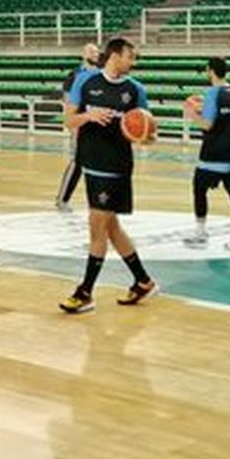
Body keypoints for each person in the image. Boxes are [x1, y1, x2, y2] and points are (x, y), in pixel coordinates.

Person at [59, 36, 158, 313]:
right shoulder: (85, 82)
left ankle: (85, 292)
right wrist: (89, 117)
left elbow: (148, 134)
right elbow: (69, 120)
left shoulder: (136, 90)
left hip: (115, 167)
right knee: (111, 227)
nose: (133, 62)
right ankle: (143, 281)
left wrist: (144, 136)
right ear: (115, 55)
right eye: (130, 56)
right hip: (91, 164)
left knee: (97, 227)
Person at [184, 56, 230, 252]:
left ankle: (201, 233)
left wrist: (191, 113)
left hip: (214, 153)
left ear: (210, 71)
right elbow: (226, 116)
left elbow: (208, 124)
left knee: (199, 188)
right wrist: (203, 108)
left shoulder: (212, 93)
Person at [54, 42, 102, 214]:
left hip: (99, 126)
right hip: (81, 124)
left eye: (97, 52)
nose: (96, 54)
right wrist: (73, 125)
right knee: (77, 163)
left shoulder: (101, 74)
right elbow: (67, 103)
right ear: (84, 54)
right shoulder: (74, 75)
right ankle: (62, 199)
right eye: (92, 52)